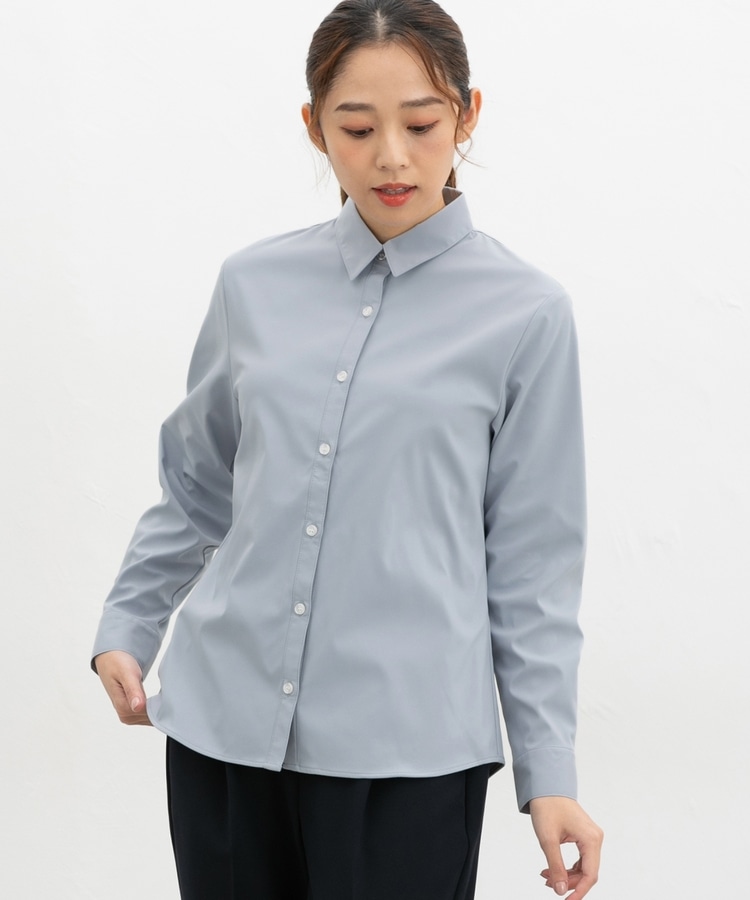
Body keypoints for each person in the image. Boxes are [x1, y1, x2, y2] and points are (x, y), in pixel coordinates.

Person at [92, 1, 603, 897]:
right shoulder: (252, 283)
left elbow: (532, 565)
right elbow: (198, 485)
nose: (391, 157)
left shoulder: (527, 314)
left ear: (468, 116)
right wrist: (127, 627)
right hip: (222, 731)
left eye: (421, 124)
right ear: (314, 127)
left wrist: (548, 772)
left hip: (408, 753)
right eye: (357, 128)